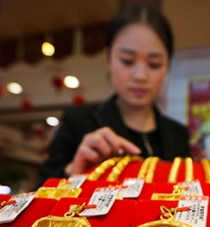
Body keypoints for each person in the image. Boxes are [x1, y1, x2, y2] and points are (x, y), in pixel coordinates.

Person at [38, 5, 190, 185]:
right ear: (108, 58)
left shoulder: (178, 133)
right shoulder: (78, 122)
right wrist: (72, 173)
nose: (140, 76)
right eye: (127, 61)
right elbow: (39, 190)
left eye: (154, 64)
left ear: (167, 65)